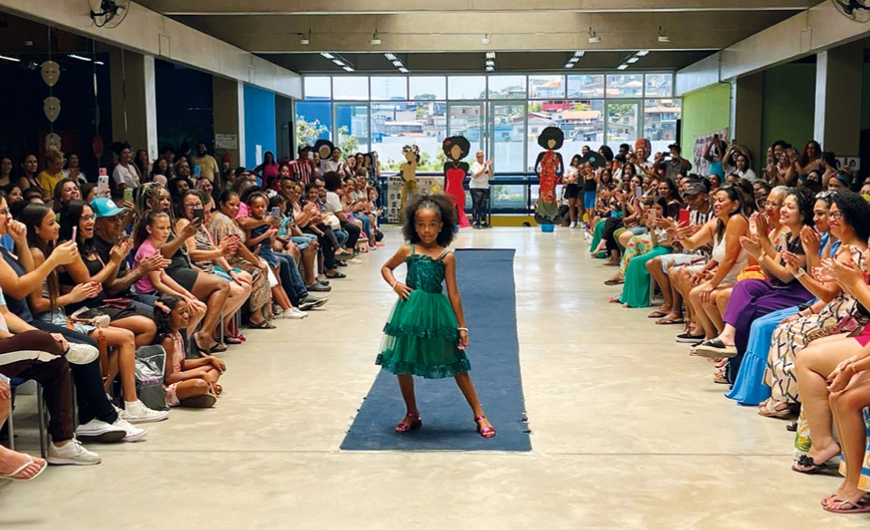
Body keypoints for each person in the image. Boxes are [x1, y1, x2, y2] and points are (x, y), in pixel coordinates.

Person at [21, 202, 169, 424]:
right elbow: (39, 303)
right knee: (127, 335)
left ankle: (116, 398)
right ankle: (117, 402)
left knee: (146, 324)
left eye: (92, 217)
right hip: (62, 314)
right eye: (51, 223)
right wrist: (72, 295)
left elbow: (98, 284)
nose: (57, 226)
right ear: (36, 228)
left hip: (67, 311)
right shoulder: (47, 251)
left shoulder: (64, 248)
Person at [377, 193, 495, 438]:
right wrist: (395, 284)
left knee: (455, 362)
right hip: (408, 312)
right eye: (420, 224)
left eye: (432, 224)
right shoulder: (407, 250)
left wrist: (462, 326)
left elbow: (453, 294)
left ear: (441, 226)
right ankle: (411, 412)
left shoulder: (446, 256)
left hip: (437, 315)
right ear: (413, 225)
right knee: (403, 361)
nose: (426, 230)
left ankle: (479, 413)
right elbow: (386, 267)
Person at [156, 295, 226, 408]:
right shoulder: (167, 340)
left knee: (216, 367)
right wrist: (200, 374)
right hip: (169, 387)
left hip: (180, 377)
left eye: (186, 312)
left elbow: (182, 364)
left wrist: (209, 359)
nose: (186, 316)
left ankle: (200, 392)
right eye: (181, 312)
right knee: (199, 384)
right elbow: (168, 378)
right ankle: (202, 390)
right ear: (168, 316)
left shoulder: (177, 335)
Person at [469, 150, 493, 229]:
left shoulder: (485, 165)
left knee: (483, 205)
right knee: (476, 204)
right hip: (475, 186)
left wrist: (488, 166)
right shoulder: (475, 165)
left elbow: (491, 175)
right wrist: (484, 167)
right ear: (476, 157)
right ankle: (475, 221)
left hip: (484, 186)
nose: (480, 158)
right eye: (479, 156)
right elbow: (477, 175)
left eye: (482, 156)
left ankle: (483, 221)